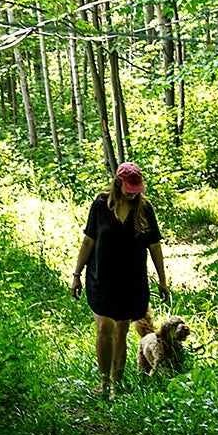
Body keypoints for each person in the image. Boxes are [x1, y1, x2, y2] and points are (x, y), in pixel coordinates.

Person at [71, 162, 171, 395]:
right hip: (101, 277)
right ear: (118, 183)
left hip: (131, 280)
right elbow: (88, 241)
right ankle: (104, 382)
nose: (133, 193)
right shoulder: (100, 205)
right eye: (129, 188)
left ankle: (117, 384)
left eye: (136, 188)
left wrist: (162, 280)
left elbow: (155, 246)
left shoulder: (144, 209)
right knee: (104, 328)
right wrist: (76, 275)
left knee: (121, 332)